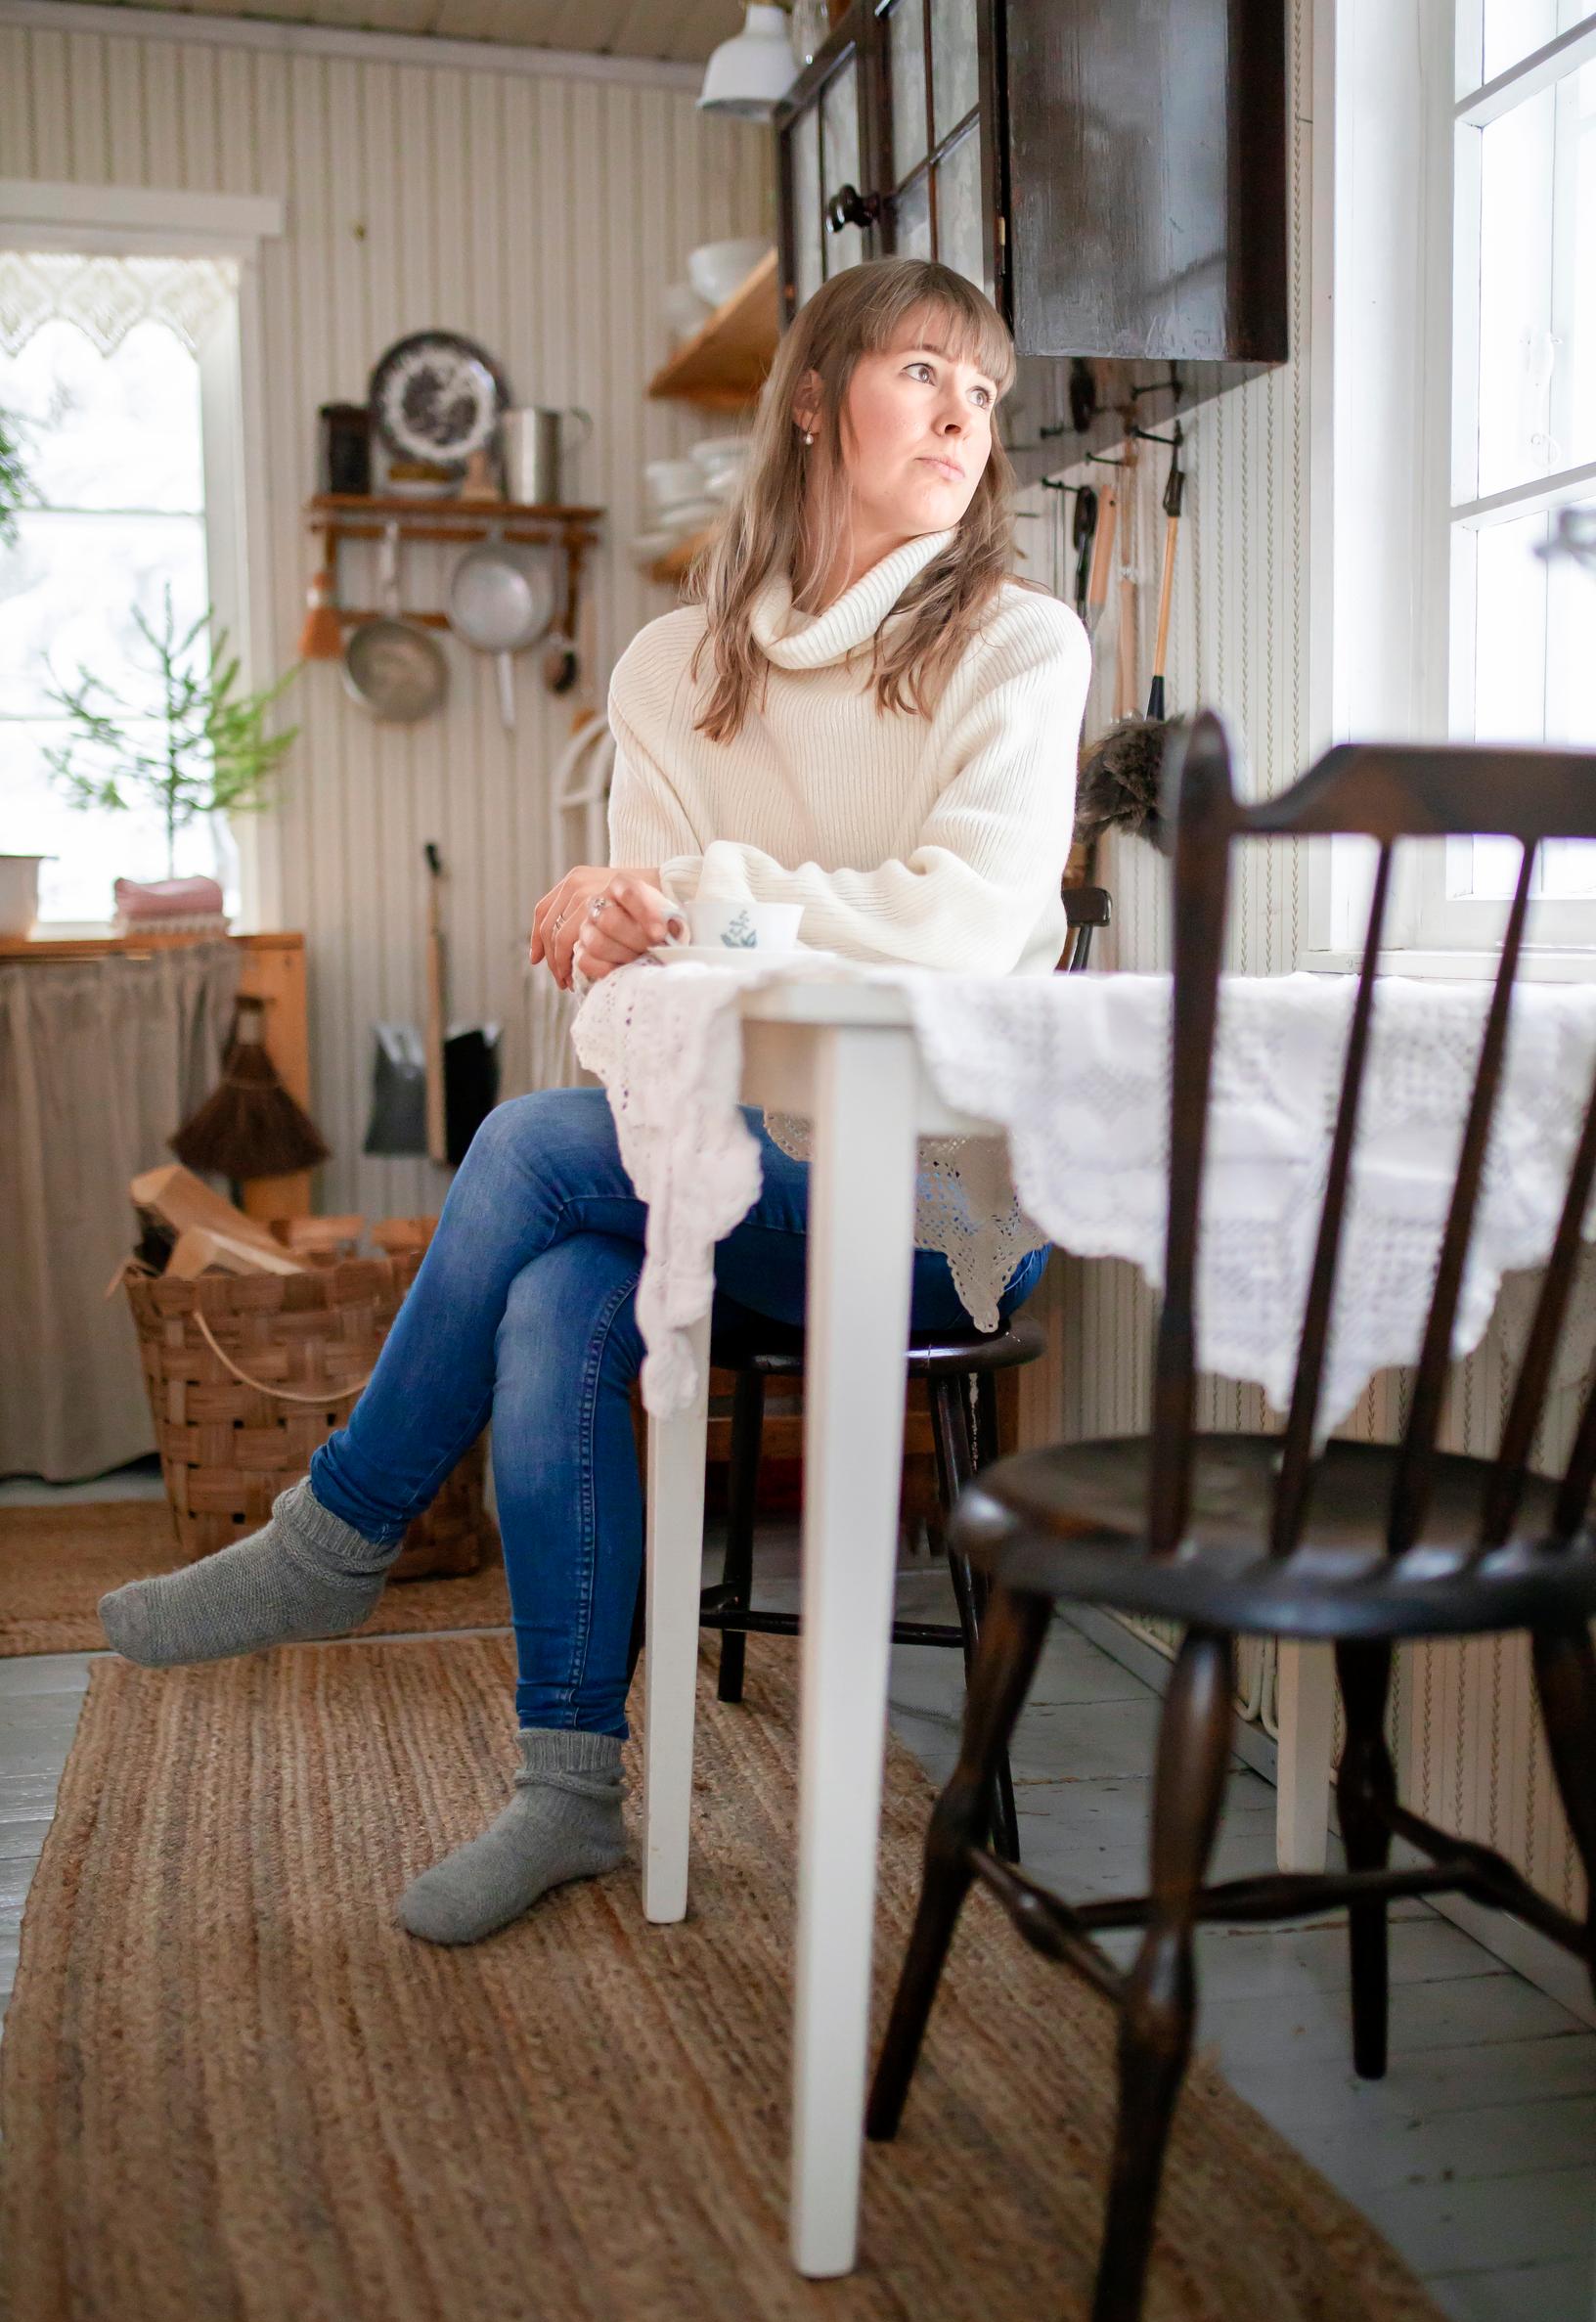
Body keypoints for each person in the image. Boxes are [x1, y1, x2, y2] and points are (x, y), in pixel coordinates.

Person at [100, 257, 1091, 1946]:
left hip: (947, 1209)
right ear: (812, 400)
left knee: (533, 1151)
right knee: (562, 1277)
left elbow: (970, 919)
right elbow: (633, 1016)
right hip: (727, 1162)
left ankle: (339, 1532)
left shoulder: (1018, 640)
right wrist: (634, 935)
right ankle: (565, 1795)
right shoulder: (670, 667)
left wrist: (691, 892)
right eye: (923, 371)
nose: (961, 417)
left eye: (982, 393)